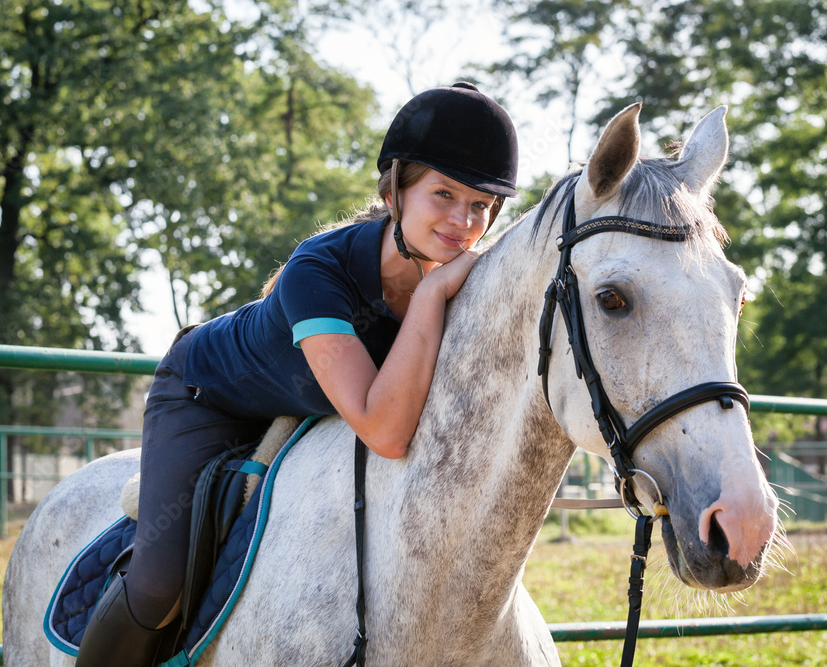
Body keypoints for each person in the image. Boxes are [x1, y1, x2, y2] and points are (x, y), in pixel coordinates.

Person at [75, 82, 518, 666]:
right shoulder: (318, 269)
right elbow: (385, 430)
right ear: (396, 190)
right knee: (160, 586)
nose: (464, 222)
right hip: (208, 395)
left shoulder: (469, 284)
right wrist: (433, 291)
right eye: (444, 194)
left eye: (482, 206)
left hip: (312, 411)